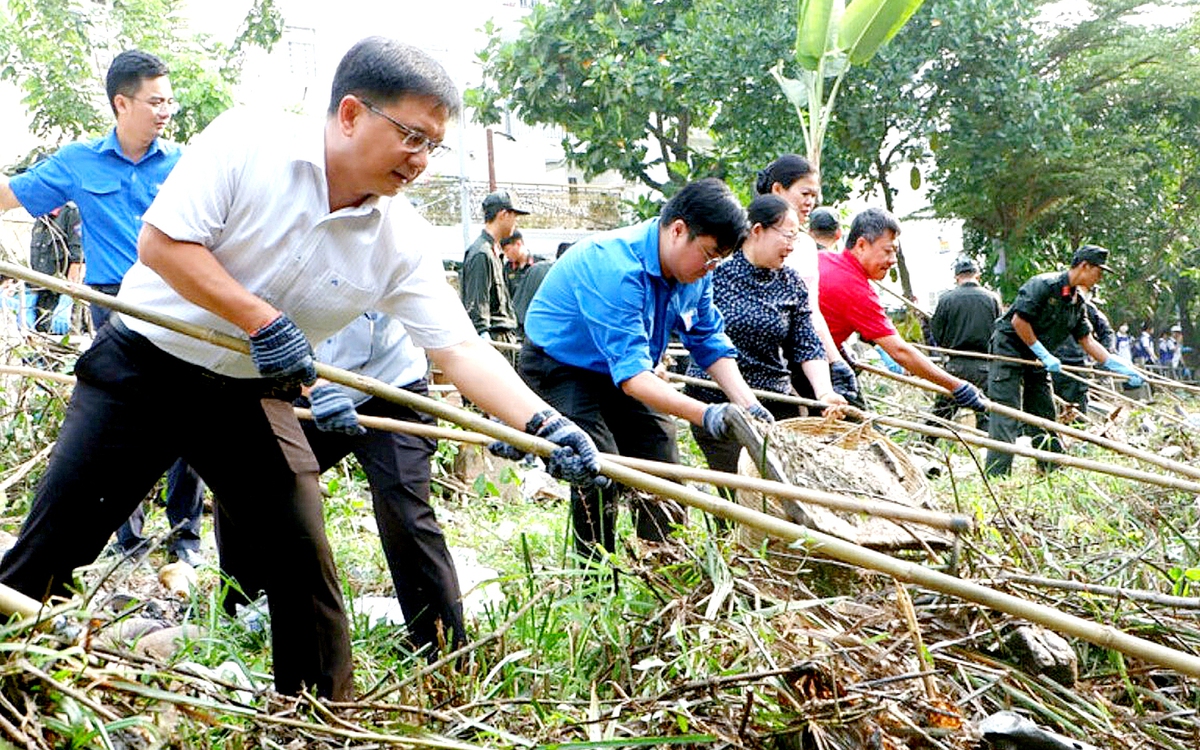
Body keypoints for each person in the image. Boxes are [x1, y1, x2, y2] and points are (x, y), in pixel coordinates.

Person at [0, 37, 600, 699]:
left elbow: (458, 347)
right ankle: (16, 692)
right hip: (143, 368)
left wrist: (545, 423)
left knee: (302, 566)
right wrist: (261, 320)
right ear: (350, 114)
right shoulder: (247, 143)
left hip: (246, 395)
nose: (422, 161)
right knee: (54, 544)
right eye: (411, 136)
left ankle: (318, 720)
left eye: (434, 145)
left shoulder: (397, 238)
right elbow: (164, 244)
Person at [0, 50, 205, 566]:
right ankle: (128, 541)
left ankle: (186, 538)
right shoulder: (78, 162)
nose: (166, 111)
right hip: (113, 304)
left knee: (191, 419)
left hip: (180, 300)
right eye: (155, 101)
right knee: (120, 421)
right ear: (122, 102)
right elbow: (12, 196)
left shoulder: (185, 164)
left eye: (169, 101)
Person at [519, 178, 769, 559]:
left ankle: (661, 564)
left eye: (719, 261)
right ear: (678, 230)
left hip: (627, 370)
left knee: (662, 463)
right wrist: (707, 414)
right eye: (709, 256)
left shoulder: (695, 274)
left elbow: (707, 339)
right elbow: (635, 379)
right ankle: (595, 579)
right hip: (562, 366)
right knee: (597, 468)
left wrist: (747, 405)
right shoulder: (616, 266)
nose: (711, 268)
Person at [217, 313, 466, 656]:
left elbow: (458, 345)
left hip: (391, 389)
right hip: (300, 379)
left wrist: (512, 416)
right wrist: (313, 387)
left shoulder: (404, 262)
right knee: (245, 479)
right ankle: (244, 612)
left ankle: (442, 648)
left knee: (405, 513)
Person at [684, 195, 846, 508]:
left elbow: (806, 343)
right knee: (744, 501)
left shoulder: (791, 283)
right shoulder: (714, 275)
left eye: (797, 237)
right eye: (788, 235)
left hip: (776, 405)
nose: (792, 245)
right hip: (719, 403)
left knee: (784, 500)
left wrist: (825, 392)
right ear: (757, 230)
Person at [984, 245, 1142, 476]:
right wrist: (1043, 352)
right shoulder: (1043, 285)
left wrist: (1115, 364)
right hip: (1009, 351)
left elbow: (1086, 340)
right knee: (1006, 412)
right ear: (1084, 266)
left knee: (1044, 412)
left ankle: (1051, 470)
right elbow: (1019, 322)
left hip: (1037, 358)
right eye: (1098, 272)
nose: (1098, 279)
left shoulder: (1076, 302)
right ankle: (997, 476)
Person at [818, 208, 988, 418]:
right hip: (807, 373)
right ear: (861, 245)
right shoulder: (857, 290)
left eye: (895, 253)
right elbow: (900, 351)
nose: (892, 260)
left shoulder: (822, 258)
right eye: (887, 251)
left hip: (805, 363)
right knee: (864, 439)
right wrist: (957, 387)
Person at [755, 155, 860, 407]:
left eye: (814, 195)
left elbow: (811, 312)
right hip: (765, 361)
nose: (810, 202)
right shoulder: (748, 241)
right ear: (778, 189)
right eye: (804, 193)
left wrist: (835, 361)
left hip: (805, 354)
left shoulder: (806, 246)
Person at [927, 257, 1001, 433]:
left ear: (956, 277)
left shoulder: (947, 299)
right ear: (978, 276)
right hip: (985, 366)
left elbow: (936, 333)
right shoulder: (992, 299)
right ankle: (987, 454)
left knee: (941, 416)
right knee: (987, 418)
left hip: (956, 366)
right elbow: (1000, 332)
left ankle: (922, 447)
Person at [461, 190, 527, 346]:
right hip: (496, 342)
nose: (515, 223)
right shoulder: (481, 254)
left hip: (504, 338)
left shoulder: (493, 252)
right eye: (514, 217)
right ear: (503, 214)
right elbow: (477, 309)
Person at [28, 202, 82, 334]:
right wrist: (30, 296)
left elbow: (79, 261)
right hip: (40, 299)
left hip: (63, 297)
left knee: (62, 347)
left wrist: (67, 299)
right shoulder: (41, 218)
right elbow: (36, 263)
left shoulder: (72, 213)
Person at [1052, 300, 1114, 414]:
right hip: (1048, 365)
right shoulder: (1045, 302)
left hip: (1075, 366)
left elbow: (1107, 333)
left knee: (1076, 413)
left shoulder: (1085, 306)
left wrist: (1103, 361)